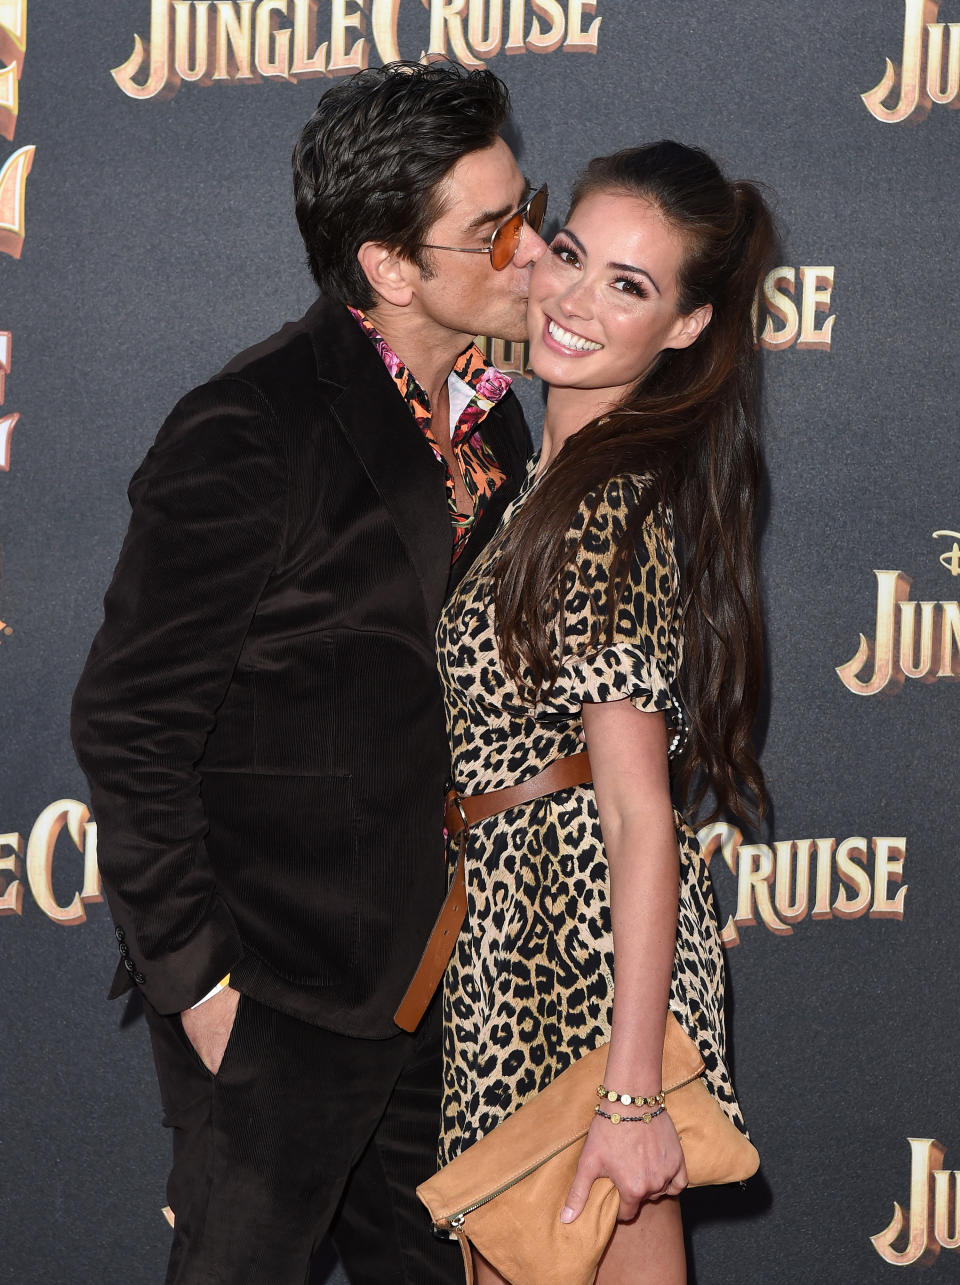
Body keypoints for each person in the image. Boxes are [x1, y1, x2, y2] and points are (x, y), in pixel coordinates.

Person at [71, 62, 547, 1285]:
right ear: (392, 266)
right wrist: (205, 988)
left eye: (525, 206)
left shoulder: (497, 418)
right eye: (494, 230)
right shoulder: (249, 426)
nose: (534, 247)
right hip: (275, 995)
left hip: (441, 984)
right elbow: (130, 721)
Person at [435, 141, 774, 1284]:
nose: (577, 300)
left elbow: (637, 815)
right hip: (515, 944)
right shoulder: (545, 477)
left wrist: (632, 1093)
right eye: (572, 257)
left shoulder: (610, 503)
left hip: (568, 959)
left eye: (630, 286)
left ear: (684, 326)